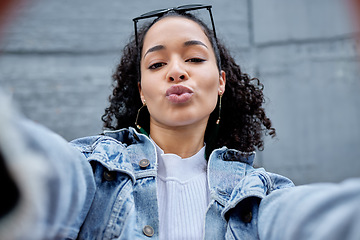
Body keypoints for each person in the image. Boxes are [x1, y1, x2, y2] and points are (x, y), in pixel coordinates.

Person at [0, 4, 359, 240]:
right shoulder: (96, 174)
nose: (176, 71)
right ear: (142, 92)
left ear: (220, 82)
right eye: (157, 65)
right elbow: (43, 176)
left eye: (194, 58)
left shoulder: (260, 195)